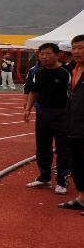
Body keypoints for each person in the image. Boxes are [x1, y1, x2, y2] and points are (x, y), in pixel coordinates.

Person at [24, 43, 71, 194]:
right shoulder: (38, 73)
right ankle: (44, 178)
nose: (44, 57)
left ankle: (62, 181)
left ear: (58, 55)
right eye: (41, 54)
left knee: (63, 148)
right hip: (43, 112)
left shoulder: (66, 72)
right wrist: (28, 109)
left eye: (48, 53)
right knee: (42, 146)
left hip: (62, 113)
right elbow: (34, 91)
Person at [58, 35, 84, 212]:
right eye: (74, 48)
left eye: (80, 48)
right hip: (73, 126)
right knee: (77, 163)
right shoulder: (74, 69)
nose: (75, 51)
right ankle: (82, 198)